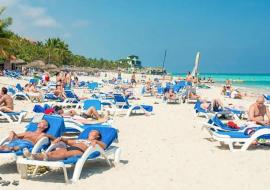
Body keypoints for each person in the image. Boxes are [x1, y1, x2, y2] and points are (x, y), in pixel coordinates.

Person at [24, 130, 105, 161]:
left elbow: (104, 146)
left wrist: (96, 142)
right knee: (51, 153)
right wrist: (62, 139)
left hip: (79, 151)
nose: (90, 132)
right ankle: (33, 156)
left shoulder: (96, 142)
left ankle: (40, 157)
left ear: (97, 136)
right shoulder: (82, 139)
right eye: (90, 131)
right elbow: (70, 142)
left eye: (93, 132)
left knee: (64, 155)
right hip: (71, 147)